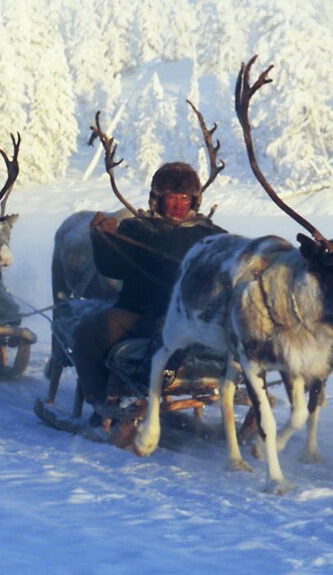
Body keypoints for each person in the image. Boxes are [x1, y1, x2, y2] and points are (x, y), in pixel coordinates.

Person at [72, 161, 225, 424]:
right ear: (157, 199)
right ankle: (100, 401)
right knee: (88, 332)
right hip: (136, 313)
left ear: (194, 200)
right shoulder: (136, 228)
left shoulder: (213, 236)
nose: (178, 204)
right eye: (172, 197)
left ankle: (157, 377)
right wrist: (102, 240)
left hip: (189, 318)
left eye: (185, 198)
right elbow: (112, 268)